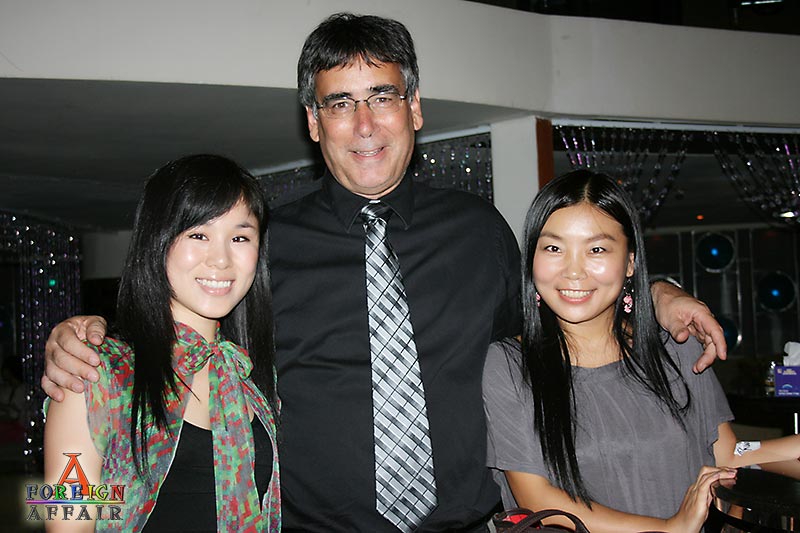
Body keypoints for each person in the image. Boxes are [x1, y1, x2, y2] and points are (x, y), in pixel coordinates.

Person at [42, 13, 727, 532]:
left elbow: (564, 309)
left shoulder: (480, 233)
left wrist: (656, 293)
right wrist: (86, 335)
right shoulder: (265, 249)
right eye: (339, 103)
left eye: (383, 96)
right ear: (313, 122)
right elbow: (64, 503)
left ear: (415, 108)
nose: (364, 123)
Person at [482, 170, 800, 533]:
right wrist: (668, 528)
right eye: (554, 248)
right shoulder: (508, 366)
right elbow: (538, 499)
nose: (573, 271)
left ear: (630, 262)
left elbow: (726, 453)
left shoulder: (676, 347)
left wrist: (792, 446)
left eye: (597, 249)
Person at [43, 155, 280, 532]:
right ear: (157, 241)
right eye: (198, 235)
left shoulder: (252, 380)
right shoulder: (94, 374)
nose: (221, 259)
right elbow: (66, 521)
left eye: (239, 237)